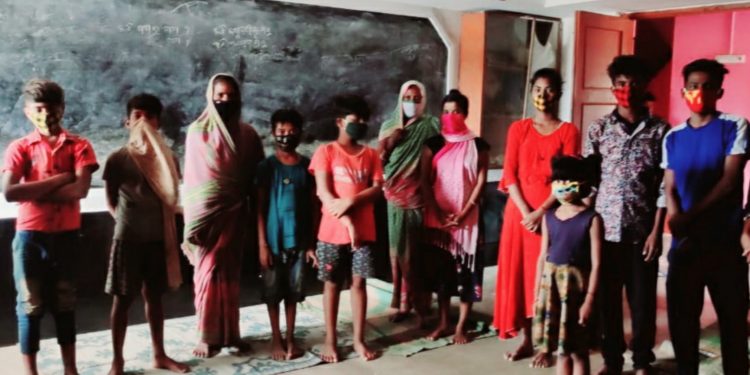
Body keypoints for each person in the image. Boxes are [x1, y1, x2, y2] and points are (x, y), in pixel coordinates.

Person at [2, 79, 99, 375]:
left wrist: (33, 188)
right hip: (30, 238)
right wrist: (61, 179)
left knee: (66, 303)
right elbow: (9, 192)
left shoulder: (80, 145)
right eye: (39, 109)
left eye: (51, 108)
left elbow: (80, 190)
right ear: (28, 112)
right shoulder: (19, 147)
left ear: (62, 109)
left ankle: (71, 369)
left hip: (67, 236)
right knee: (29, 306)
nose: (45, 115)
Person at [583, 55, 669, 375]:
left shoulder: (660, 131)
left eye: (634, 83)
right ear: (612, 88)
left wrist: (656, 232)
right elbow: (589, 180)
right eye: (621, 83)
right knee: (608, 300)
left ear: (645, 86)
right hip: (603, 230)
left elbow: (664, 185)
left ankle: (642, 360)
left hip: (641, 229)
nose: (627, 89)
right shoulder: (599, 129)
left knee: (642, 300)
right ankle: (612, 360)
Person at [663, 58, 749, 375]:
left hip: (723, 245)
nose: (699, 91)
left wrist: (690, 217)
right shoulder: (672, 136)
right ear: (684, 91)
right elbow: (670, 187)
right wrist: (676, 223)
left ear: (719, 91)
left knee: (732, 323)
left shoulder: (735, 126)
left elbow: (729, 181)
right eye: (693, 86)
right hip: (685, 247)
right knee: (682, 323)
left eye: (707, 86)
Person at [493, 68, 580, 366]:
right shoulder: (518, 129)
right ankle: (526, 340)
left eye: (550, 89)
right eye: (538, 89)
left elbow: (567, 178)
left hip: (552, 214)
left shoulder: (569, 131)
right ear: (531, 92)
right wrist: (525, 211)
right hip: (518, 216)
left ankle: (548, 343)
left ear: (559, 93)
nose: (543, 95)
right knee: (520, 277)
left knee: (547, 277)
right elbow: (510, 174)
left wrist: (541, 211)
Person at [103, 94, 189, 375]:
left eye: (149, 117)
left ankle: (159, 355)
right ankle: (117, 360)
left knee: (154, 298)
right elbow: (111, 200)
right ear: (128, 121)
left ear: (158, 123)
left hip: (157, 240)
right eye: (137, 115)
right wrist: (129, 222)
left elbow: (170, 196)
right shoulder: (118, 158)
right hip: (128, 239)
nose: (143, 122)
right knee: (123, 300)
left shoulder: (169, 158)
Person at [182, 73, 264, 358]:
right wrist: (203, 212)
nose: (225, 100)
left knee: (230, 275)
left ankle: (231, 334)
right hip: (208, 218)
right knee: (208, 271)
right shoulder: (197, 132)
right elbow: (195, 179)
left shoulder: (249, 134)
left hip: (236, 215)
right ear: (210, 97)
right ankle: (206, 336)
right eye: (220, 96)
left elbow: (256, 174)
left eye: (230, 95)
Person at [309, 94, 383, 363]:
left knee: (359, 283)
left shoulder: (371, 154)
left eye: (365, 120)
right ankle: (330, 340)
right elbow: (324, 193)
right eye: (355, 120)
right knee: (331, 284)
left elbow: (377, 189)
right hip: (331, 232)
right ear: (340, 122)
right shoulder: (325, 152)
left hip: (364, 234)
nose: (361, 124)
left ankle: (359, 339)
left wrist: (353, 201)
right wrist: (347, 220)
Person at [419, 89, 489, 344]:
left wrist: (465, 211)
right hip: (438, 221)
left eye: (456, 111)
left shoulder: (478, 145)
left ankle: (461, 326)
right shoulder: (434, 144)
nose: (451, 116)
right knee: (442, 275)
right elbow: (425, 182)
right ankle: (443, 322)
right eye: (446, 112)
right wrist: (438, 212)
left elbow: (481, 179)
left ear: (466, 114)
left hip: (468, 220)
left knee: (468, 274)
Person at [256, 109, 319, 361]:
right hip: (272, 241)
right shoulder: (266, 167)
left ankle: (291, 337)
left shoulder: (306, 167)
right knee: (272, 292)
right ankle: (276, 337)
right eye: (281, 132)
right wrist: (261, 244)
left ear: (300, 134)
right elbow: (259, 208)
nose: (286, 136)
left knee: (294, 291)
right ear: (273, 133)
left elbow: (314, 206)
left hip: (299, 242)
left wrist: (311, 242)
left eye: (291, 132)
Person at [533, 155, 602, 375]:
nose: (561, 186)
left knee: (578, 351)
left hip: (577, 291)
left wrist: (589, 300)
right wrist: (537, 294)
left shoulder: (592, 219)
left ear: (582, 184)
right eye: (558, 181)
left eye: (567, 180)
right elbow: (543, 255)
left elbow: (598, 263)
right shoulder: (549, 216)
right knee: (561, 351)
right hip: (551, 289)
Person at [378, 80, 440, 323]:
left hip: (419, 197)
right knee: (398, 253)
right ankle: (403, 303)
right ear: (400, 100)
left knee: (417, 254)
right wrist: (393, 141)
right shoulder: (388, 127)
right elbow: (379, 162)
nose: (411, 104)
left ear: (423, 101)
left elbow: (440, 157)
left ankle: (422, 302)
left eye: (416, 99)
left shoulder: (432, 125)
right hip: (394, 196)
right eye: (407, 99)